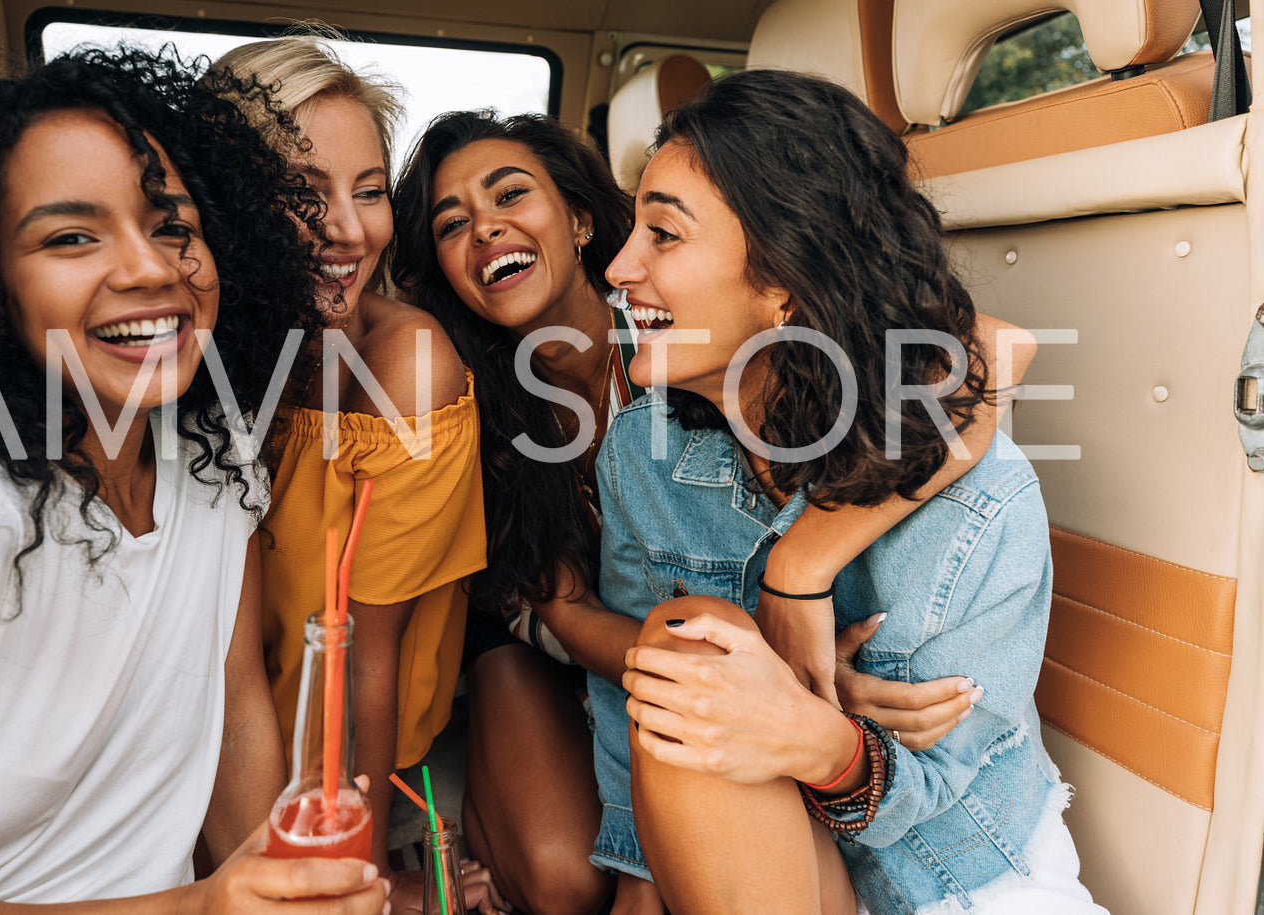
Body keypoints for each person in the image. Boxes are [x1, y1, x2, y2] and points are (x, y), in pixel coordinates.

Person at [0, 49, 388, 914]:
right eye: (69, 237)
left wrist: (288, 879)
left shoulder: (216, 451)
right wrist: (192, 908)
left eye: (172, 225)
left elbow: (233, 703)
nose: (150, 268)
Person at [391, 112, 1032, 915]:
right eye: (451, 225)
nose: (484, 229)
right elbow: (571, 612)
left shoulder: (684, 328)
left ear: (582, 219)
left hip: (705, 649)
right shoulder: (470, 395)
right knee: (565, 872)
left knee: (698, 661)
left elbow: (982, 357)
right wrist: (772, 669)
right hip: (556, 634)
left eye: (509, 194)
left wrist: (797, 596)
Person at [597, 69, 1105, 914]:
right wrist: (634, 882)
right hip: (745, 861)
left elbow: (939, 784)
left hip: (950, 875)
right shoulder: (638, 455)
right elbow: (637, 707)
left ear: (783, 281)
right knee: (688, 645)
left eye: (663, 236)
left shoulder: (977, 498)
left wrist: (817, 739)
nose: (619, 267)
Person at [205, 38, 493, 909]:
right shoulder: (190, 341)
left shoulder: (405, 363)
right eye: (304, 194)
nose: (352, 229)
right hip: (215, 730)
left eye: (370, 192)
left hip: (352, 749)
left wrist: (351, 875)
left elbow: (365, 652)